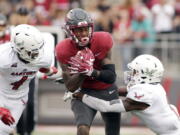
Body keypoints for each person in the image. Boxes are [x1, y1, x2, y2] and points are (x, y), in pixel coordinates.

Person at [73, 54, 180, 135]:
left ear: (145, 74)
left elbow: (106, 106)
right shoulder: (152, 87)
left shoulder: (143, 95)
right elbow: (122, 91)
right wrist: (99, 88)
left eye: (134, 71)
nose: (131, 74)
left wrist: (83, 96)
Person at [55, 8, 121, 135]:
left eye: (86, 29)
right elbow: (70, 87)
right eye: (79, 30)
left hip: (106, 89)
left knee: (113, 131)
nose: (84, 33)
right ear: (70, 31)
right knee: (82, 129)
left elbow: (111, 76)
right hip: (83, 91)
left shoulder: (102, 40)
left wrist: (91, 71)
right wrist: (81, 70)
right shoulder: (63, 49)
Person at [0, 24, 58, 135]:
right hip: (1, 94)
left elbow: (42, 67)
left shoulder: (44, 57)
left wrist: (49, 71)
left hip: (19, 99)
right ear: (19, 49)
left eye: (39, 49)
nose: (38, 54)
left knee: (4, 131)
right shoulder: (4, 57)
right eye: (33, 51)